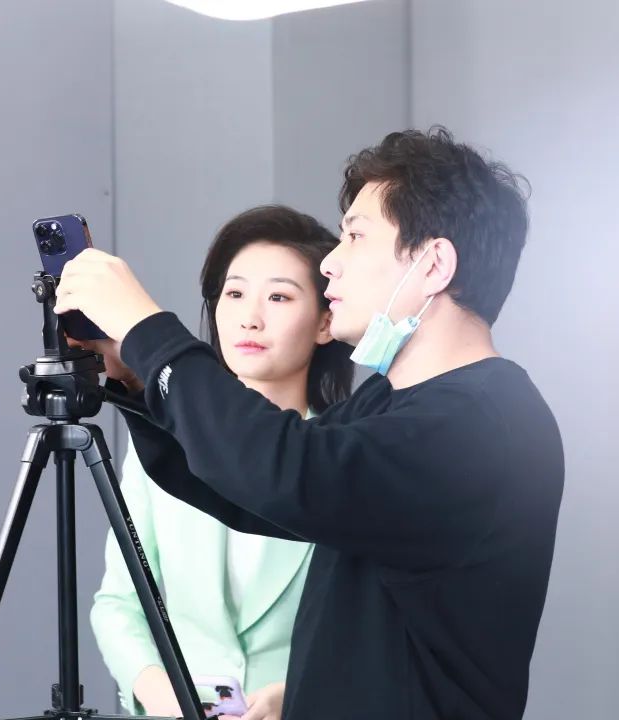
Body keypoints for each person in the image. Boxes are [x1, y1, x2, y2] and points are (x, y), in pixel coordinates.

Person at [59, 128, 565, 720]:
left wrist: (149, 332)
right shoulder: (393, 403)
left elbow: (286, 468)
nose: (330, 262)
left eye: (356, 236)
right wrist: (134, 377)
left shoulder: (481, 423)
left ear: (433, 264)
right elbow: (245, 489)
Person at [90, 206, 352, 719]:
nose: (249, 318)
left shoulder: (342, 459)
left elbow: (369, 630)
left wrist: (298, 694)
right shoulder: (162, 446)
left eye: (279, 297)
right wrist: (163, 694)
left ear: (326, 321)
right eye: (234, 294)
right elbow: (120, 603)